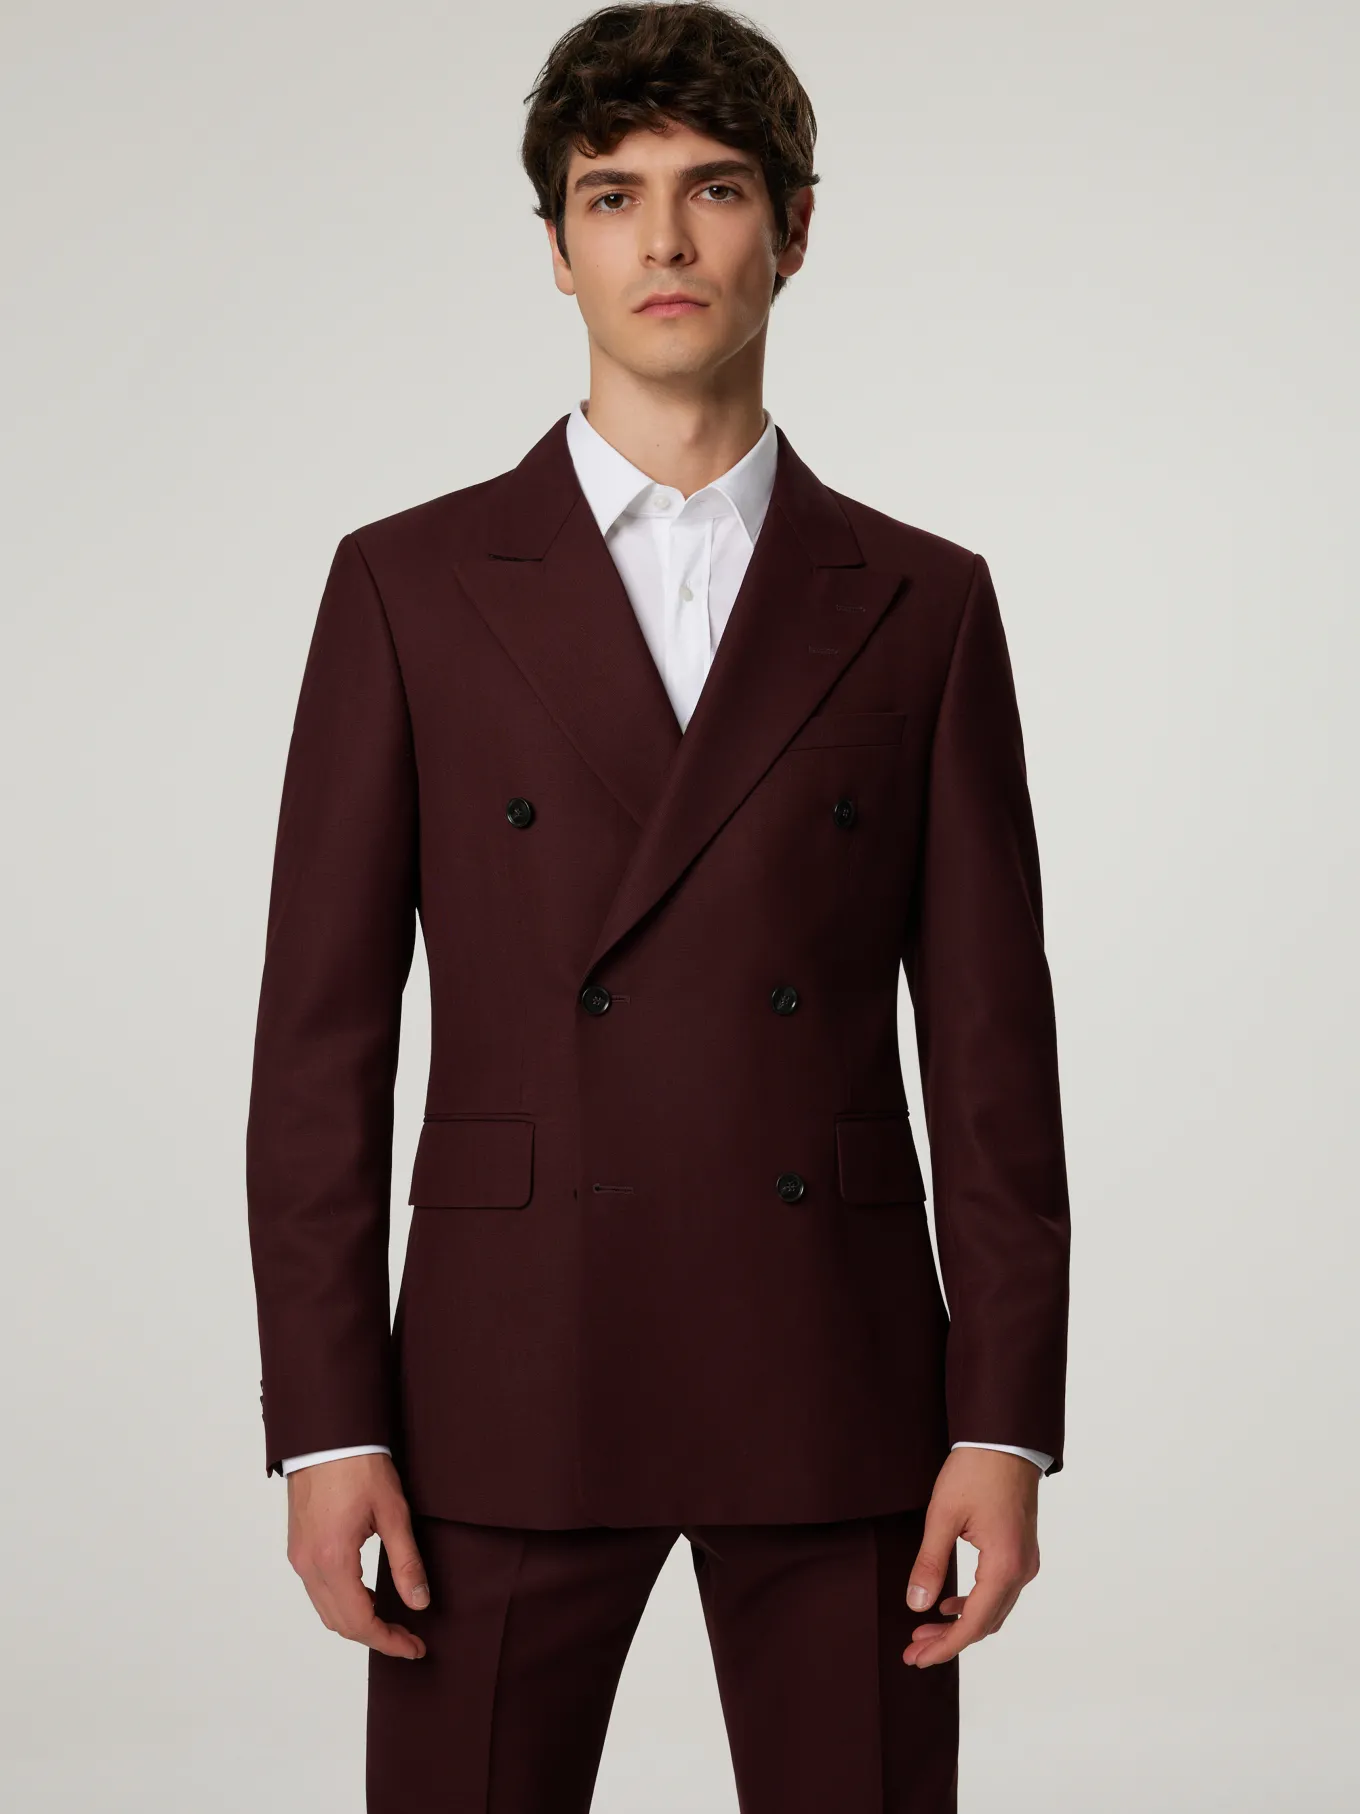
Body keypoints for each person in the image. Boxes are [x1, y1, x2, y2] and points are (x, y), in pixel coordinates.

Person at [245, 5, 1071, 1808]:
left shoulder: (924, 600)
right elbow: (320, 1044)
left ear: (795, 226)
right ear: (557, 247)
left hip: (842, 1372)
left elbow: (996, 1053)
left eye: (716, 189)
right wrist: (327, 1421)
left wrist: (1004, 1420)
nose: (667, 240)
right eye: (613, 196)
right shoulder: (407, 586)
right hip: (506, 1367)